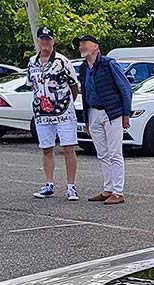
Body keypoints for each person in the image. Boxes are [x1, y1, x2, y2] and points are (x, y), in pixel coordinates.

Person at [75, 34, 131, 205]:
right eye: (80, 45)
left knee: (115, 152)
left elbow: (125, 87)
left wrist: (126, 113)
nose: (82, 47)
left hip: (111, 112)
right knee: (102, 153)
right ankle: (108, 188)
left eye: (85, 44)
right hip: (93, 112)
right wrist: (86, 120)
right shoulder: (84, 68)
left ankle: (118, 191)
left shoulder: (109, 63)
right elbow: (85, 93)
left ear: (96, 46)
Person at [28, 26, 78, 201]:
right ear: (38, 41)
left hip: (63, 112)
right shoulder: (32, 62)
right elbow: (32, 85)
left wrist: (66, 103)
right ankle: (48, 184)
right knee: (47, 149)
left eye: (48, 39)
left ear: (53, 41)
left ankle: (71, 186)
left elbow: (74, 85)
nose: (45, 42)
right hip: (42, 113)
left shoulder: (62, 61)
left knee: (68, 148)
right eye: (42, 39)